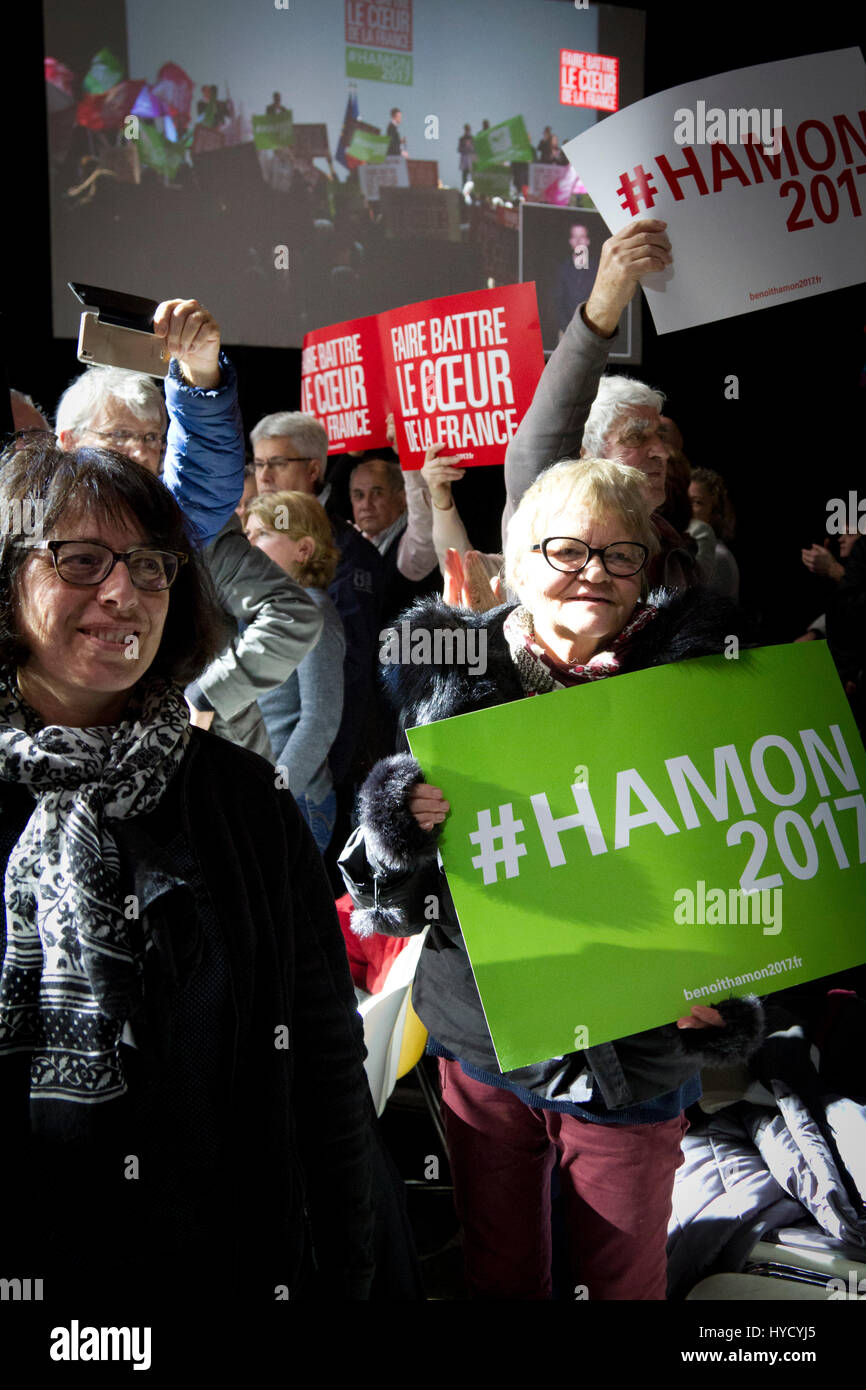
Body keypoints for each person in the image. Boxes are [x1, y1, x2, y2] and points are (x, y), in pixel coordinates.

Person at [339, 457, 764, 1301]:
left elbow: (755, 868)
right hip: (489, 1045)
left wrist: (728, 987)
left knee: (619, 1283)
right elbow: (390, 893)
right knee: (501, 1274)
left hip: (635, 1054)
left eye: (619, 556)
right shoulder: (449, 677)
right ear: (519, 560)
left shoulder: (706, 686)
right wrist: (398, 823)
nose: (592, 574)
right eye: (566, 551)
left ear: (648, 570)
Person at [0, 439, 374, 1309]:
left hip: (220, 1268)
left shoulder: (244, 802)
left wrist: (347, 1273)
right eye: (81, 560)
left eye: (151, 566)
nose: (123, 592)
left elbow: (325, 1066)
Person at [56, 301, 322, 757]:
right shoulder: (36, 532)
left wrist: (205, 695)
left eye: (151, 438)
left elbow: (202, 473)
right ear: (68, 442)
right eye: (120, 436)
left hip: (199, 758)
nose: (140, 453)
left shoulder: (183, 528)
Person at [503, 220, 698, 592]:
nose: (661, 452)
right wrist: (604, 305)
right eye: (636, 438)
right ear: (583, 453)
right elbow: (543, 440)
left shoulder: (675, 548)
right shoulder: (548, 510)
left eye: (659, 435)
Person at [251, 410, 384, 786]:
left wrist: (316, 785)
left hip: (307, 783)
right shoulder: (248, 550)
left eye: (277, 462)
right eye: (259, 463)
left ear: (312, 470)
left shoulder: (348, 553)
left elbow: (344, 690)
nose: (264, 475)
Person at [246, 491, 345, 854]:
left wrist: (273, 796)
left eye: (262, 535)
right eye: (248, 536)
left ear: (303, 549)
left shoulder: (311, 612)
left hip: (296, 801)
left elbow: (320, 720)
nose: (249, 544)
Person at [688, 466, 740, 599]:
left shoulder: (718, 556)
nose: (687, 507)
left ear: (714, 511)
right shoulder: (683, 548)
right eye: (684, 499)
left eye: (697, 502)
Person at [553, 221, 597, 339]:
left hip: (592, 332)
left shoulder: (598, 269)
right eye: (575, 237)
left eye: (582, 237)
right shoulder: (562, 269)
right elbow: (558, 301)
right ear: (570, 242)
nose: (578, 241)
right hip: (566, 331)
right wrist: (567, 327)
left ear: (588, 241)